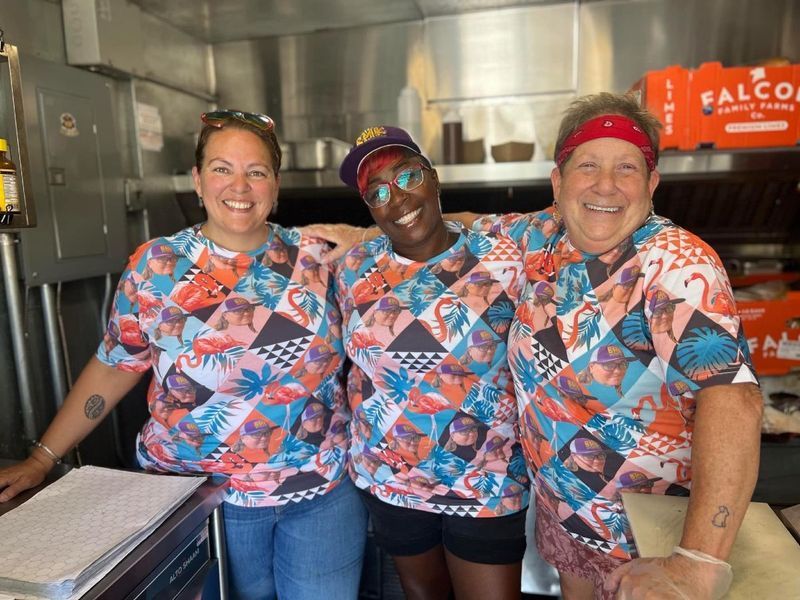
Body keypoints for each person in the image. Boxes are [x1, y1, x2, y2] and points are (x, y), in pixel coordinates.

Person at [307, 94, 763, 600]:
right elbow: (462, 224)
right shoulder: (541, 238)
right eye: (588, 165)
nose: (605, 185)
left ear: (652, 183)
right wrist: (365, 232)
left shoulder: (673, 263)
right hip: (568, 521)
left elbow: (733, 399)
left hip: (654, 533)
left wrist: (698, 562)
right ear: (559, 183)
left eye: (626, 167)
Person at [0, 109, 367, 600]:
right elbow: (115, 364)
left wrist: (365, 234)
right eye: (221, 168)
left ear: (275, 186)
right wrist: (43, 458)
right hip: (197, 498)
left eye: (256, 172)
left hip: (320, 495)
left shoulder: (323, 256)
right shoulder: (157, 265)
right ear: (197, 180)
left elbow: (428, 237)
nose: (239, 186)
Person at [335, 126, 530, 600]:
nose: (398, 198)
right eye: (378, 192)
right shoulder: (353, 269)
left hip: (488, 479)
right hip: (393, 479)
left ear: (433, 178)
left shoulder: (505, 257)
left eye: (407, 176)